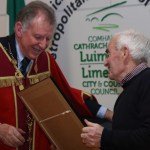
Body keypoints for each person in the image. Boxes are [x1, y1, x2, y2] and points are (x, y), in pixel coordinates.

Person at [0, 1, 99, 150]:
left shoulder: (45, 60)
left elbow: (66, 96)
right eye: (38, 37)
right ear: (19, 29)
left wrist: (105, 112)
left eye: (48, 39)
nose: (43, 45)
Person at [81, 29, 150, 150]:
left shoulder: (147, 81)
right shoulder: (133, 86)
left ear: (124, 53)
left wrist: (105, 138)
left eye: (108, 54)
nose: (105, 62)